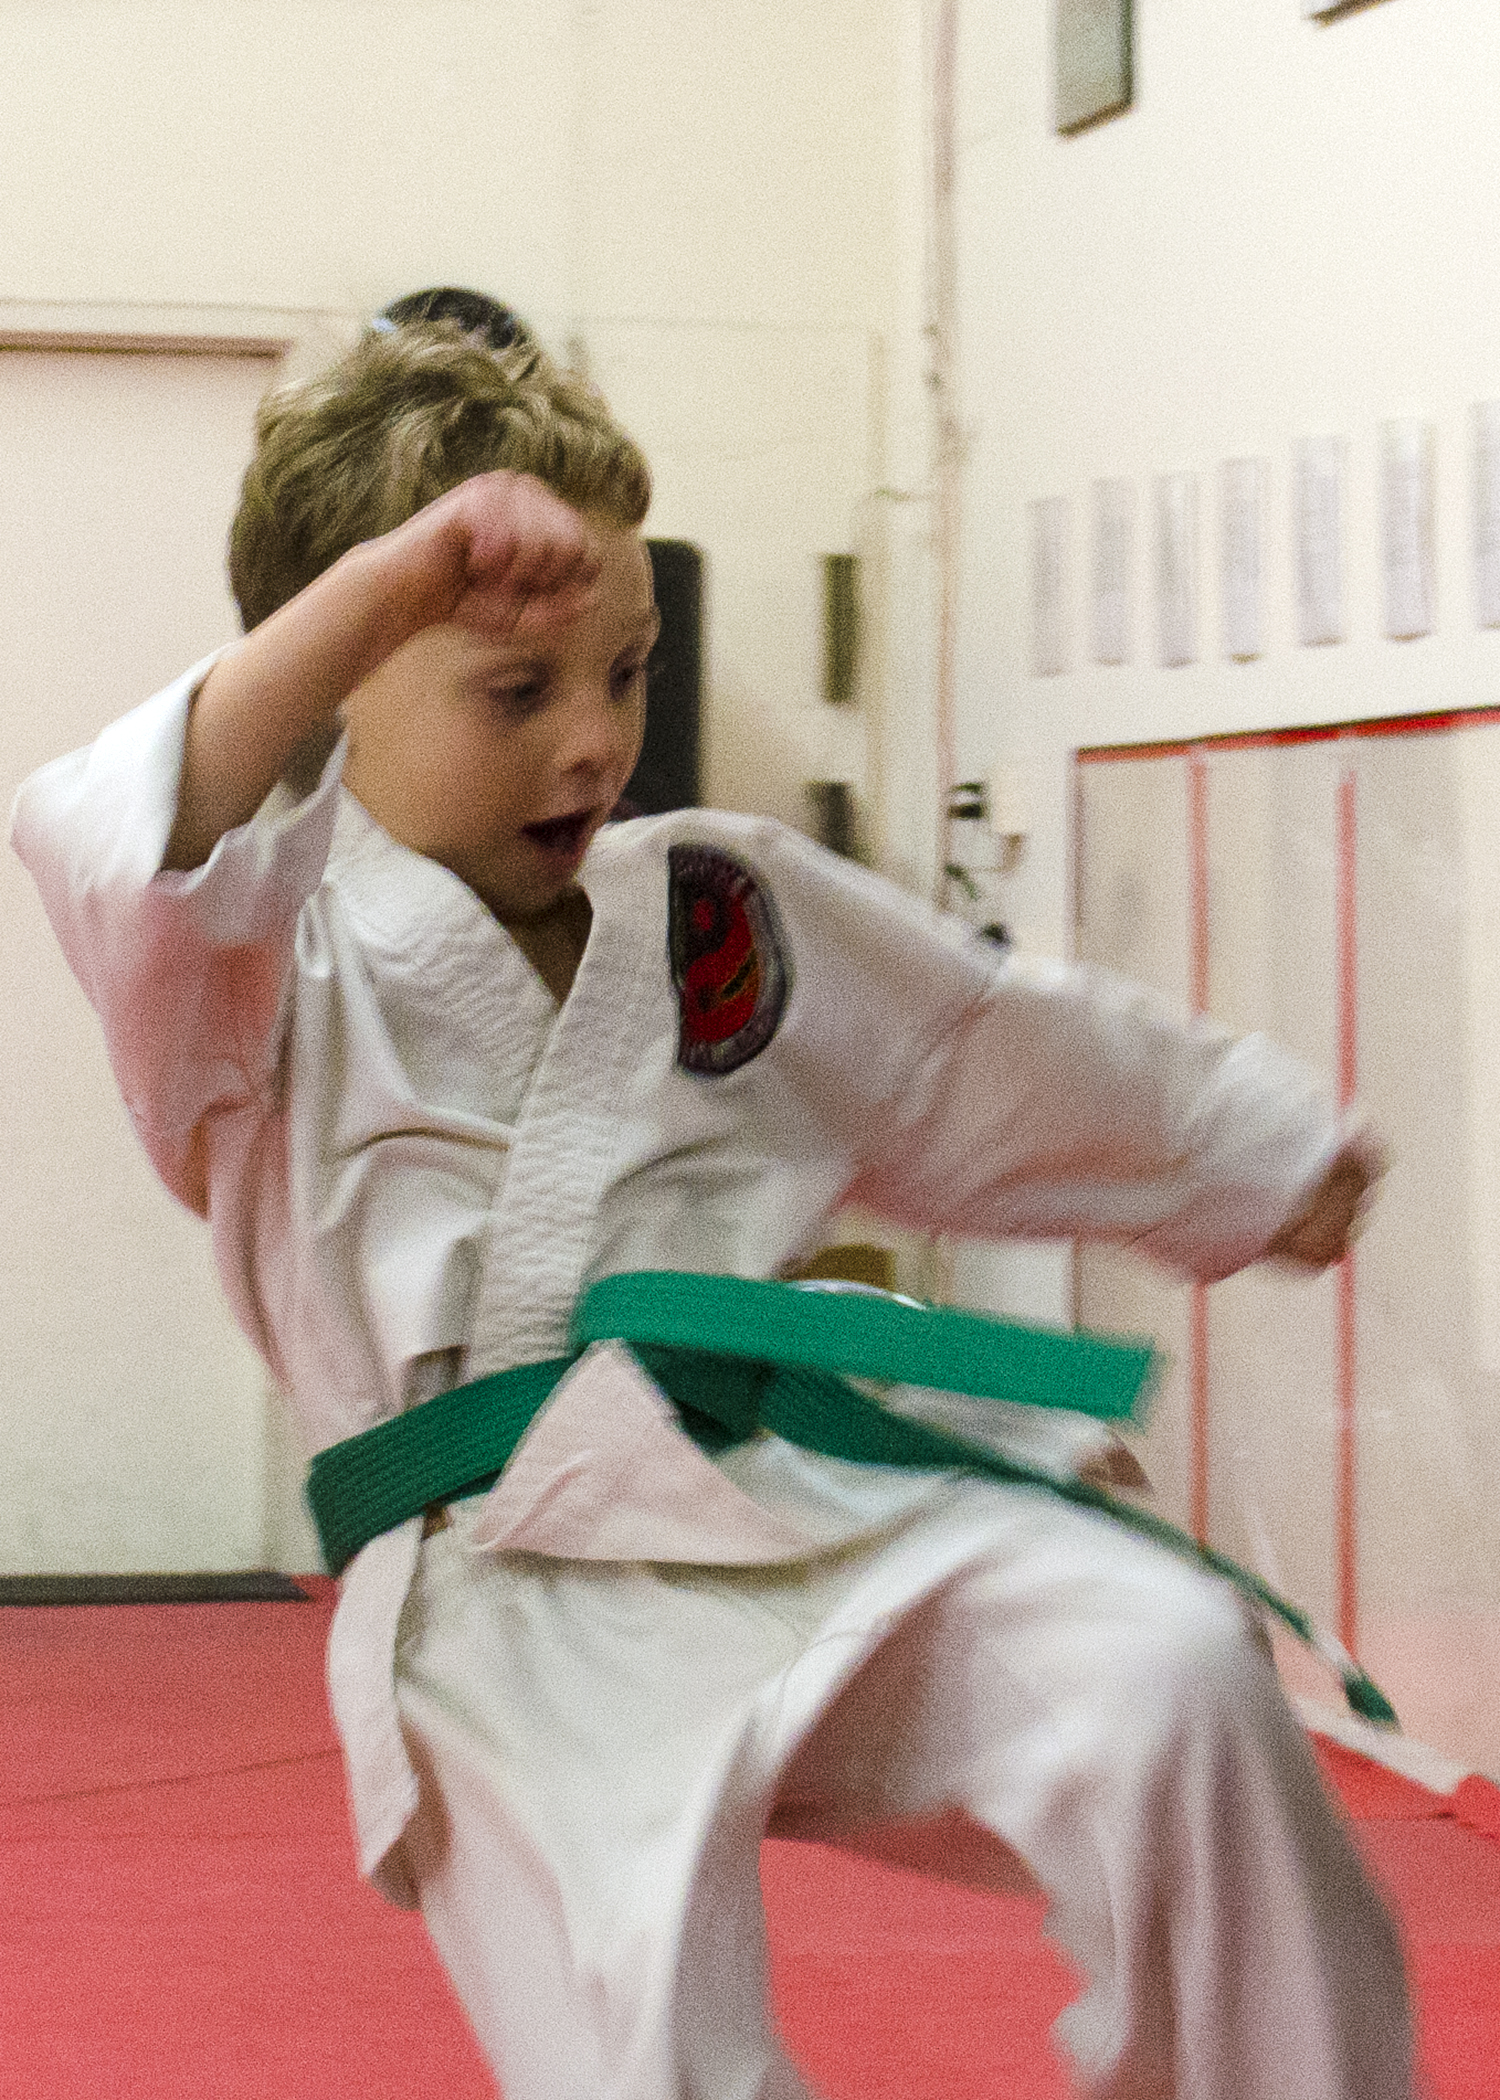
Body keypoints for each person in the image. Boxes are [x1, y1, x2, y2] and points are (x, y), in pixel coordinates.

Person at [11, 317, 1411, 2100]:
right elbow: (121, 841)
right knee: (654, 2043)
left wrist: (1249, 1153)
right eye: (517, 693)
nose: (595, 742)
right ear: (341, 677)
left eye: (625, 674)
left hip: (789, 1487)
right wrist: (389, 580)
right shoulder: (260, 974)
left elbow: (972, 1047)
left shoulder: (711, 903)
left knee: (1170, 1671)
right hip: (500, 1595)